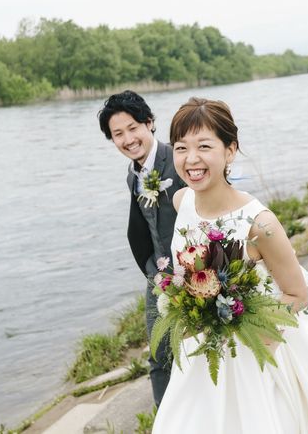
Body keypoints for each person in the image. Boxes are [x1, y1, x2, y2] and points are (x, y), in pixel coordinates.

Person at [151, 97, 308, 433]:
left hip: (258, 349)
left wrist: (241, 325)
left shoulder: (259, 223)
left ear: (230, 151)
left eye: (204, 146)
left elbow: (297, 295)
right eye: (181, 148)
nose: (191, 159)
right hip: (202, 354)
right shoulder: (182, 200)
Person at [98, 90, 184, 406]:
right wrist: (152, 270)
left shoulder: (179, 159)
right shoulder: (132, 175)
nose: (128, 139)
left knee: (201, 349)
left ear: (149, 123)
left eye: (132, 128)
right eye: (118, 134)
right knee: (159, 356)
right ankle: (166, 423)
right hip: (158, 277)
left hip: (196, 271)